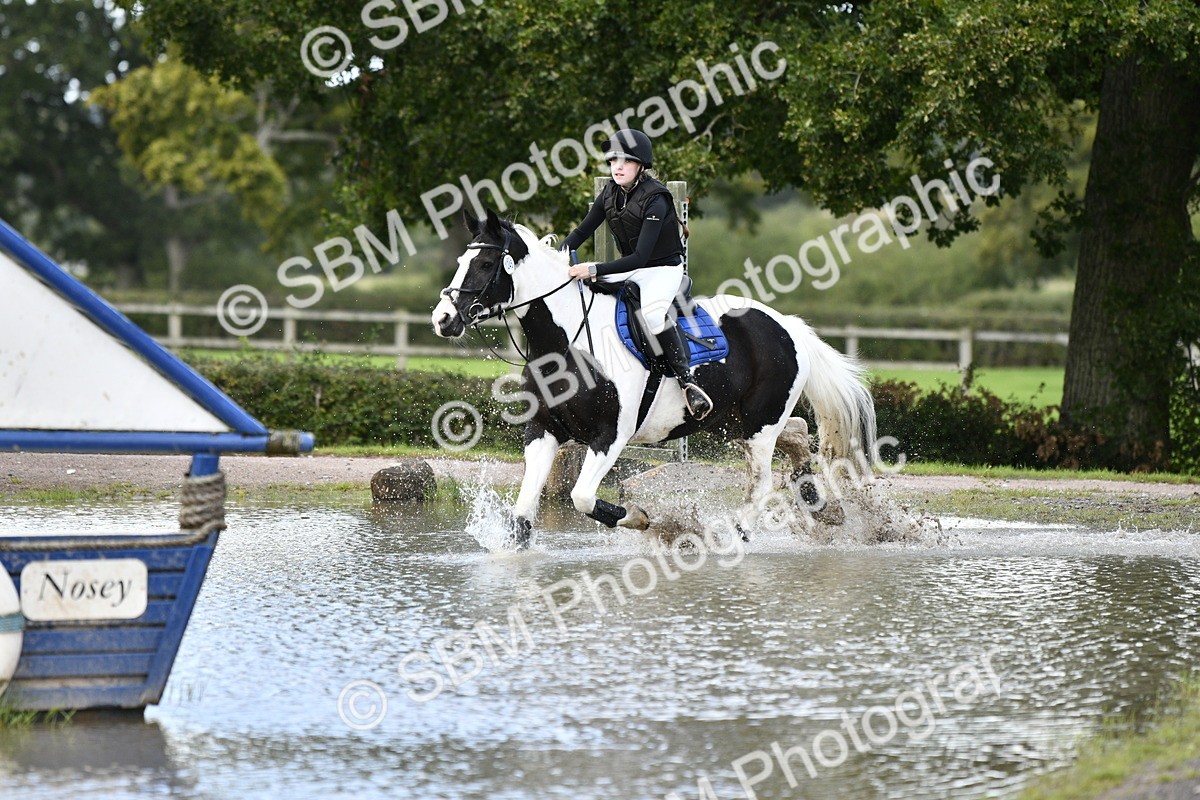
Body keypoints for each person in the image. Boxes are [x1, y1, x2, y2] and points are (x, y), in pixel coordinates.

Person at [560, 129, 713, 420]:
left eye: (626, 161)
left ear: (640, 165)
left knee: (654, 316)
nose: (617, 166)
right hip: (630, 269)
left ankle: (687, 381)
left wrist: (592, 268)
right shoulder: (609, 192)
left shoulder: (656, 199)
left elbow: (641, 257)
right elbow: (582, 231)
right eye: (613, 160)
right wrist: (556, 256)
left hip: (662, 270)